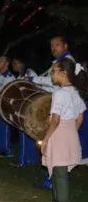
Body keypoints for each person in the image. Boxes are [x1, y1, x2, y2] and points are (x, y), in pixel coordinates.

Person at [29, 36, 87, 188]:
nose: (53, 48)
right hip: (64, 111)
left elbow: (52, 81)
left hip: (62, 111)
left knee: (56, 147)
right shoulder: (60, 62)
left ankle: (53, 182)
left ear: (65, 45)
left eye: (57, 45)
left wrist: (35, 80)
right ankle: (53, 181)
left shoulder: (67, 62)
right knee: (59, 149)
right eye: (52, 45)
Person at [42, 58, 87, 202]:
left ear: (63, 73)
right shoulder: (75, 92)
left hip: (59, 133)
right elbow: (80, 117)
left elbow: (55, 120)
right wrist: (71, 132)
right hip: (69, 133)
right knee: (58, 171)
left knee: (59, 173)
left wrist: (46, 139)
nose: (51, 74)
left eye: (53, 71)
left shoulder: (59, 93)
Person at [11, 57, 40, 167]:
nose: (13, 65)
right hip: (23, 107)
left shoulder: (29, 73)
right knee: (26, 133)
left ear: (22, 63)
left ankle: (23, 160)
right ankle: (31, 159)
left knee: (25, 132)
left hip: (29, 107)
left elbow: (37, 88)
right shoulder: (19, 76)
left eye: (15, 62)